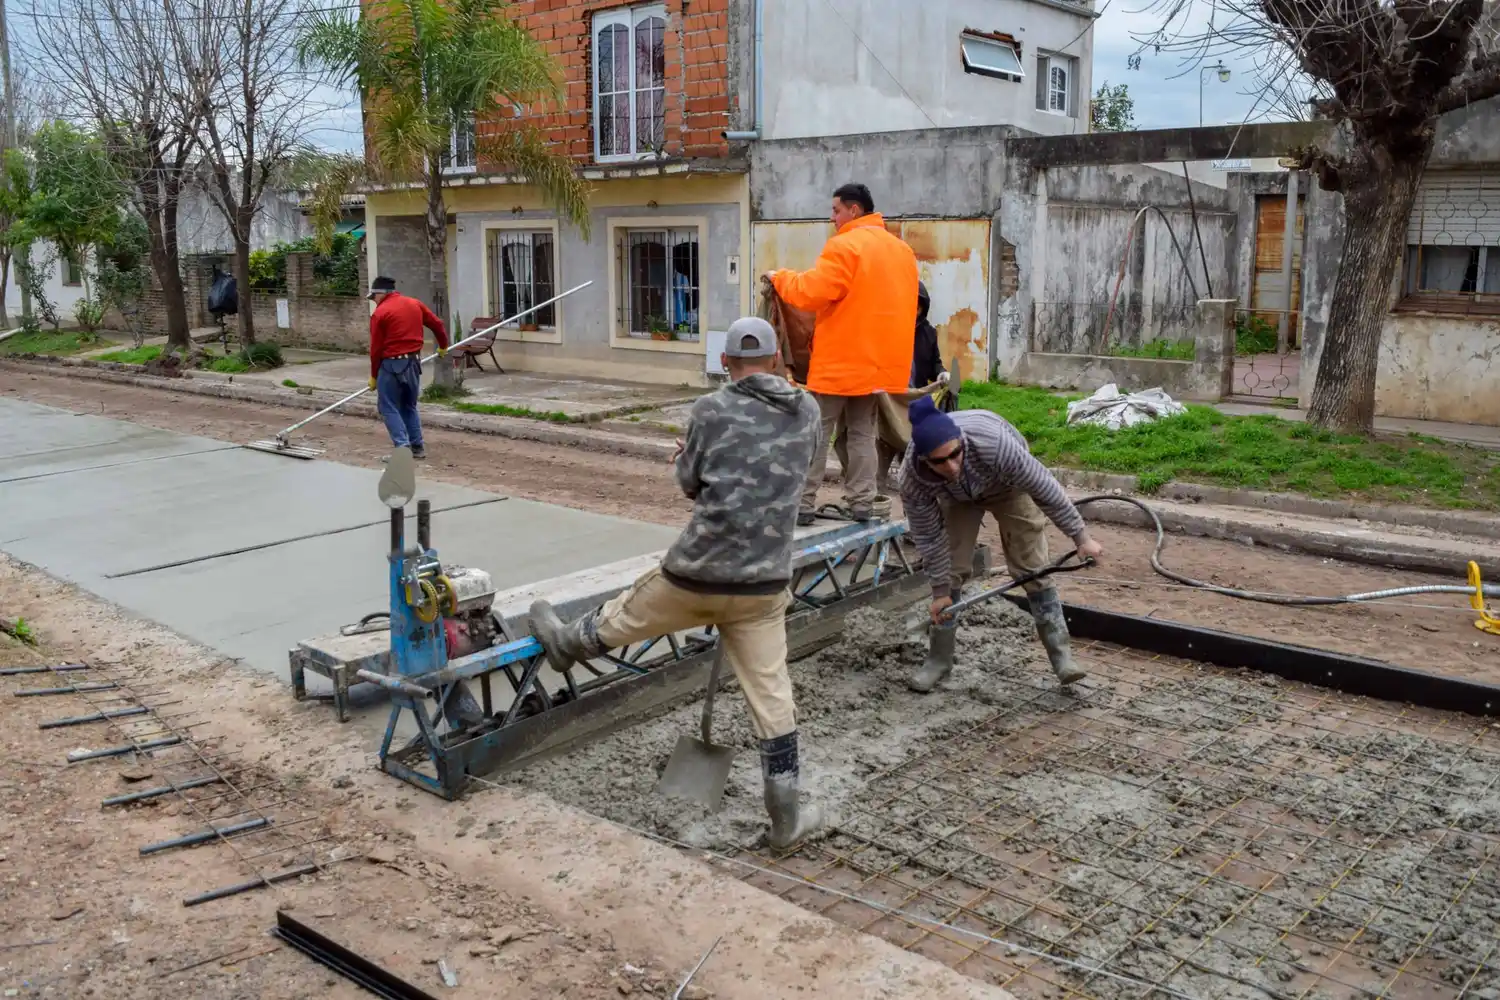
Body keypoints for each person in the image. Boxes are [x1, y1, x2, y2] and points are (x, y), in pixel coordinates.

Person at [528, 317, 825, 850]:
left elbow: (691, 484)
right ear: (778, 359)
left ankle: (565, 644)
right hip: (764, 585)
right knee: (773, 698)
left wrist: (688, 462)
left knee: (626, 615)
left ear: (727, 364)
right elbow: (801, 475)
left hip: (698, 574)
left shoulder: (710, 409)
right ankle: (786, 822)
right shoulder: (808, 410)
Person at [899, 397, 1105, 693]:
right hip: (955, 498)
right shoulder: (912, 480)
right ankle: (939, 660)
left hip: (1007, 485)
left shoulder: (993, 444)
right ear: (923, 460)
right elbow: (930, 538)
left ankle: (1062, 658)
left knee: (1030, 565)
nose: (952, 465)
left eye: (955, 454)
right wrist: (940, 592)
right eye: (940, 461)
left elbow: (1044, 488)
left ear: (961, 442)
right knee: (952, 567)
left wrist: (1081, 538)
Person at [767, 182, 918, 526]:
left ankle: (803, 504)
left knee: (816, 431)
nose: (832, 217)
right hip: (881, 368)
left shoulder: (845, 246)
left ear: (854, 210)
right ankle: (862, 503)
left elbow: (811, 293)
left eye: (836, 209)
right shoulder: (902, 251)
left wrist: (781, 279)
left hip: (840, 365)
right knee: (864, 434)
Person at [367, 275, 449, 460]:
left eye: (374, 298)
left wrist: (373, 375)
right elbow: (437, 324)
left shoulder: (380, 314)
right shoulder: (415, 304)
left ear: (381, 294)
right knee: (409, 406)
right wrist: (443, 345)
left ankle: (402, 448)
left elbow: (375, 350)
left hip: (390, 365)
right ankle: (417, 446)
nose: (374, 302)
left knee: (387, 407)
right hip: (413, 363)